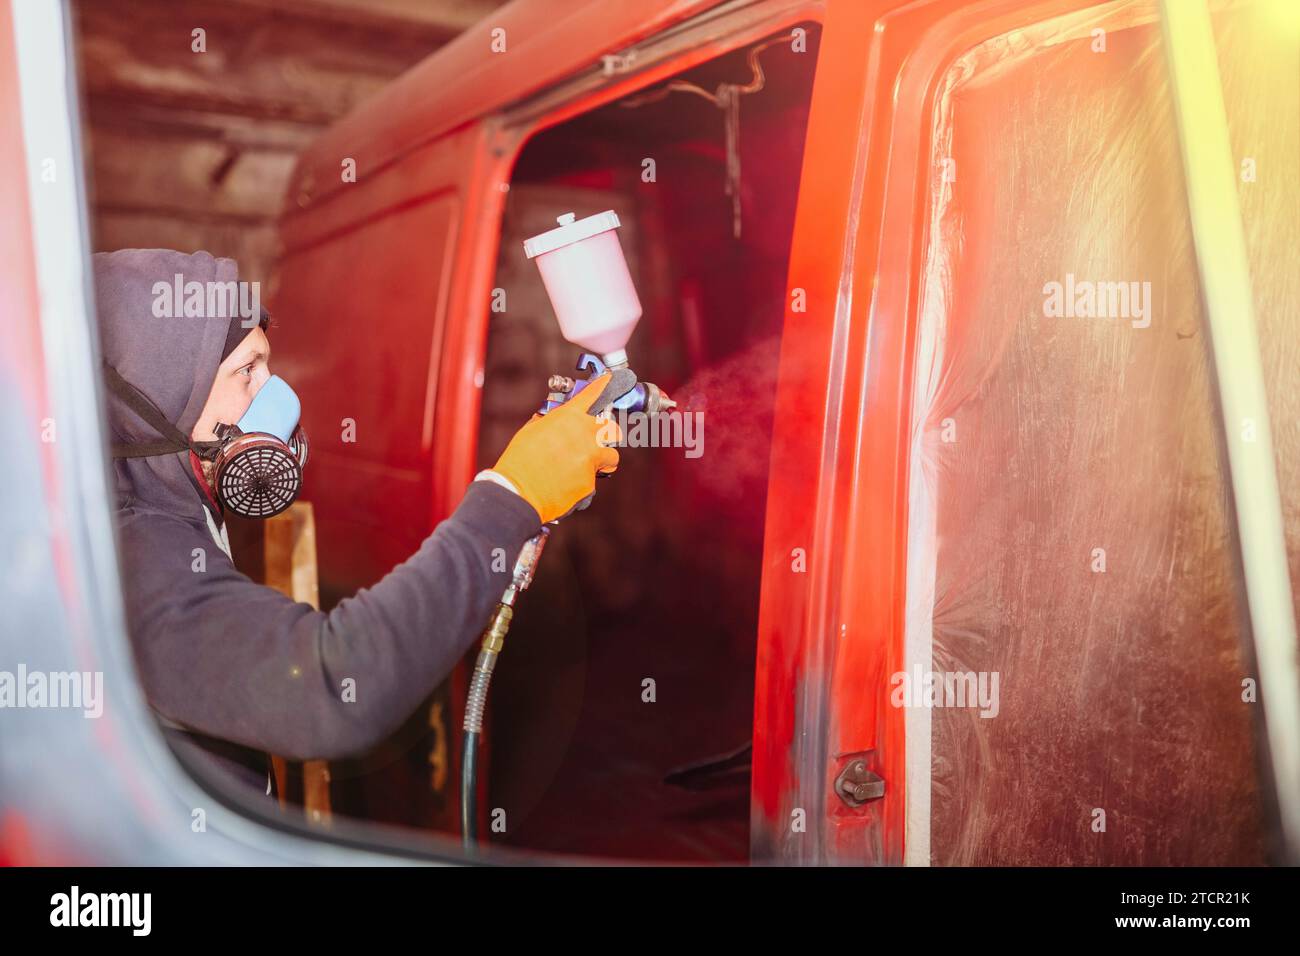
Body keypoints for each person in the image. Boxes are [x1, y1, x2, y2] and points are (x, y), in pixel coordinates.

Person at [95, 248, 618, 798]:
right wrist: (513, 497)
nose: (276, 397)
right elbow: (332, 688)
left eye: (267, 364)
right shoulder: (133, 562)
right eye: (246, 371)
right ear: (161, 397)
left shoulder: (173, 508)